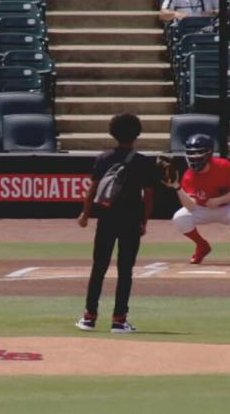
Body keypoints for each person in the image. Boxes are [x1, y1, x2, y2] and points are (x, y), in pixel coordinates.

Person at [75, 114, 155, 334]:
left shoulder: (103, 158)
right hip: (131, 220)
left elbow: (92, 191)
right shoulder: (143, 162)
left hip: (106, 218)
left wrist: (85, 214)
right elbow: (148, 197)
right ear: (137, 134)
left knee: (99, 268)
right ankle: (119, 320)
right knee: (125, 270)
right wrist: (144, 222)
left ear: (112, 133)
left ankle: (89, 318)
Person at [166, 133, 230, 266]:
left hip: (225, 207)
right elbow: (191, 206)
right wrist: (177, 187)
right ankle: (202, 245)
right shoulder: (189, 175)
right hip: (202, 209)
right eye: (191, 153)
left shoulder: (224, 166)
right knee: (179, 217)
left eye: (198, 153)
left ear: (209, 153)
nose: (194, 157)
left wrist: (219, 200)